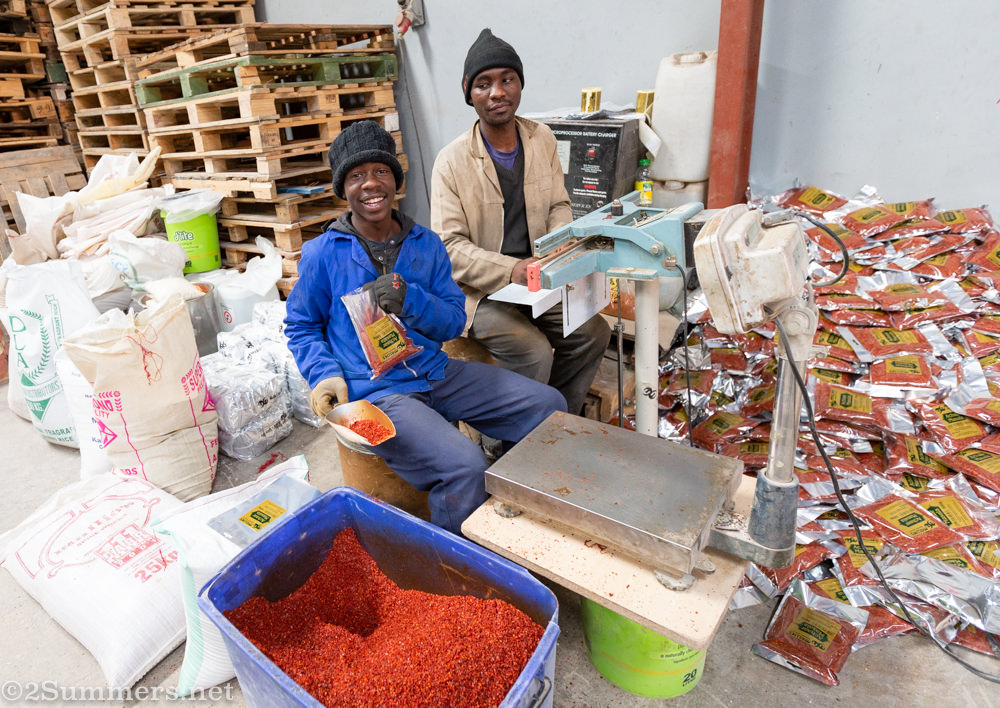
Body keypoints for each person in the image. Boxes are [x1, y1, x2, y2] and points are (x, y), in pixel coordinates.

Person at [284, 120, 566, 535]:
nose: (370, 184)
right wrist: (324, 374)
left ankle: (519, 519)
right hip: (373, 394)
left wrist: (411, 301)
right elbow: (301, 325)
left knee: (549, 407)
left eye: (380, 171)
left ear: (395, 181)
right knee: (464, 466)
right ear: (343, 189)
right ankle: (455, 567)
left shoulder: (426, 244)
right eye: (356, 176)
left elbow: (453, 319)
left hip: (435, 373)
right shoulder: (323, 254)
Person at [431, 28, 612, 417]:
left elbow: (559, 204)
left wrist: (558, 251)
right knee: (530, 350)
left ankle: (556, 419)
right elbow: (450, 248)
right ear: (469, 93)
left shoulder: (541, 138)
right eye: (484, 84)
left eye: (506, 80)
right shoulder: (452, 161)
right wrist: (510, 268)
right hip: (477, 291)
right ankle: (511, 445)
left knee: (593, 333)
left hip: (536, 280)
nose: (497, 92)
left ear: (519, 85)